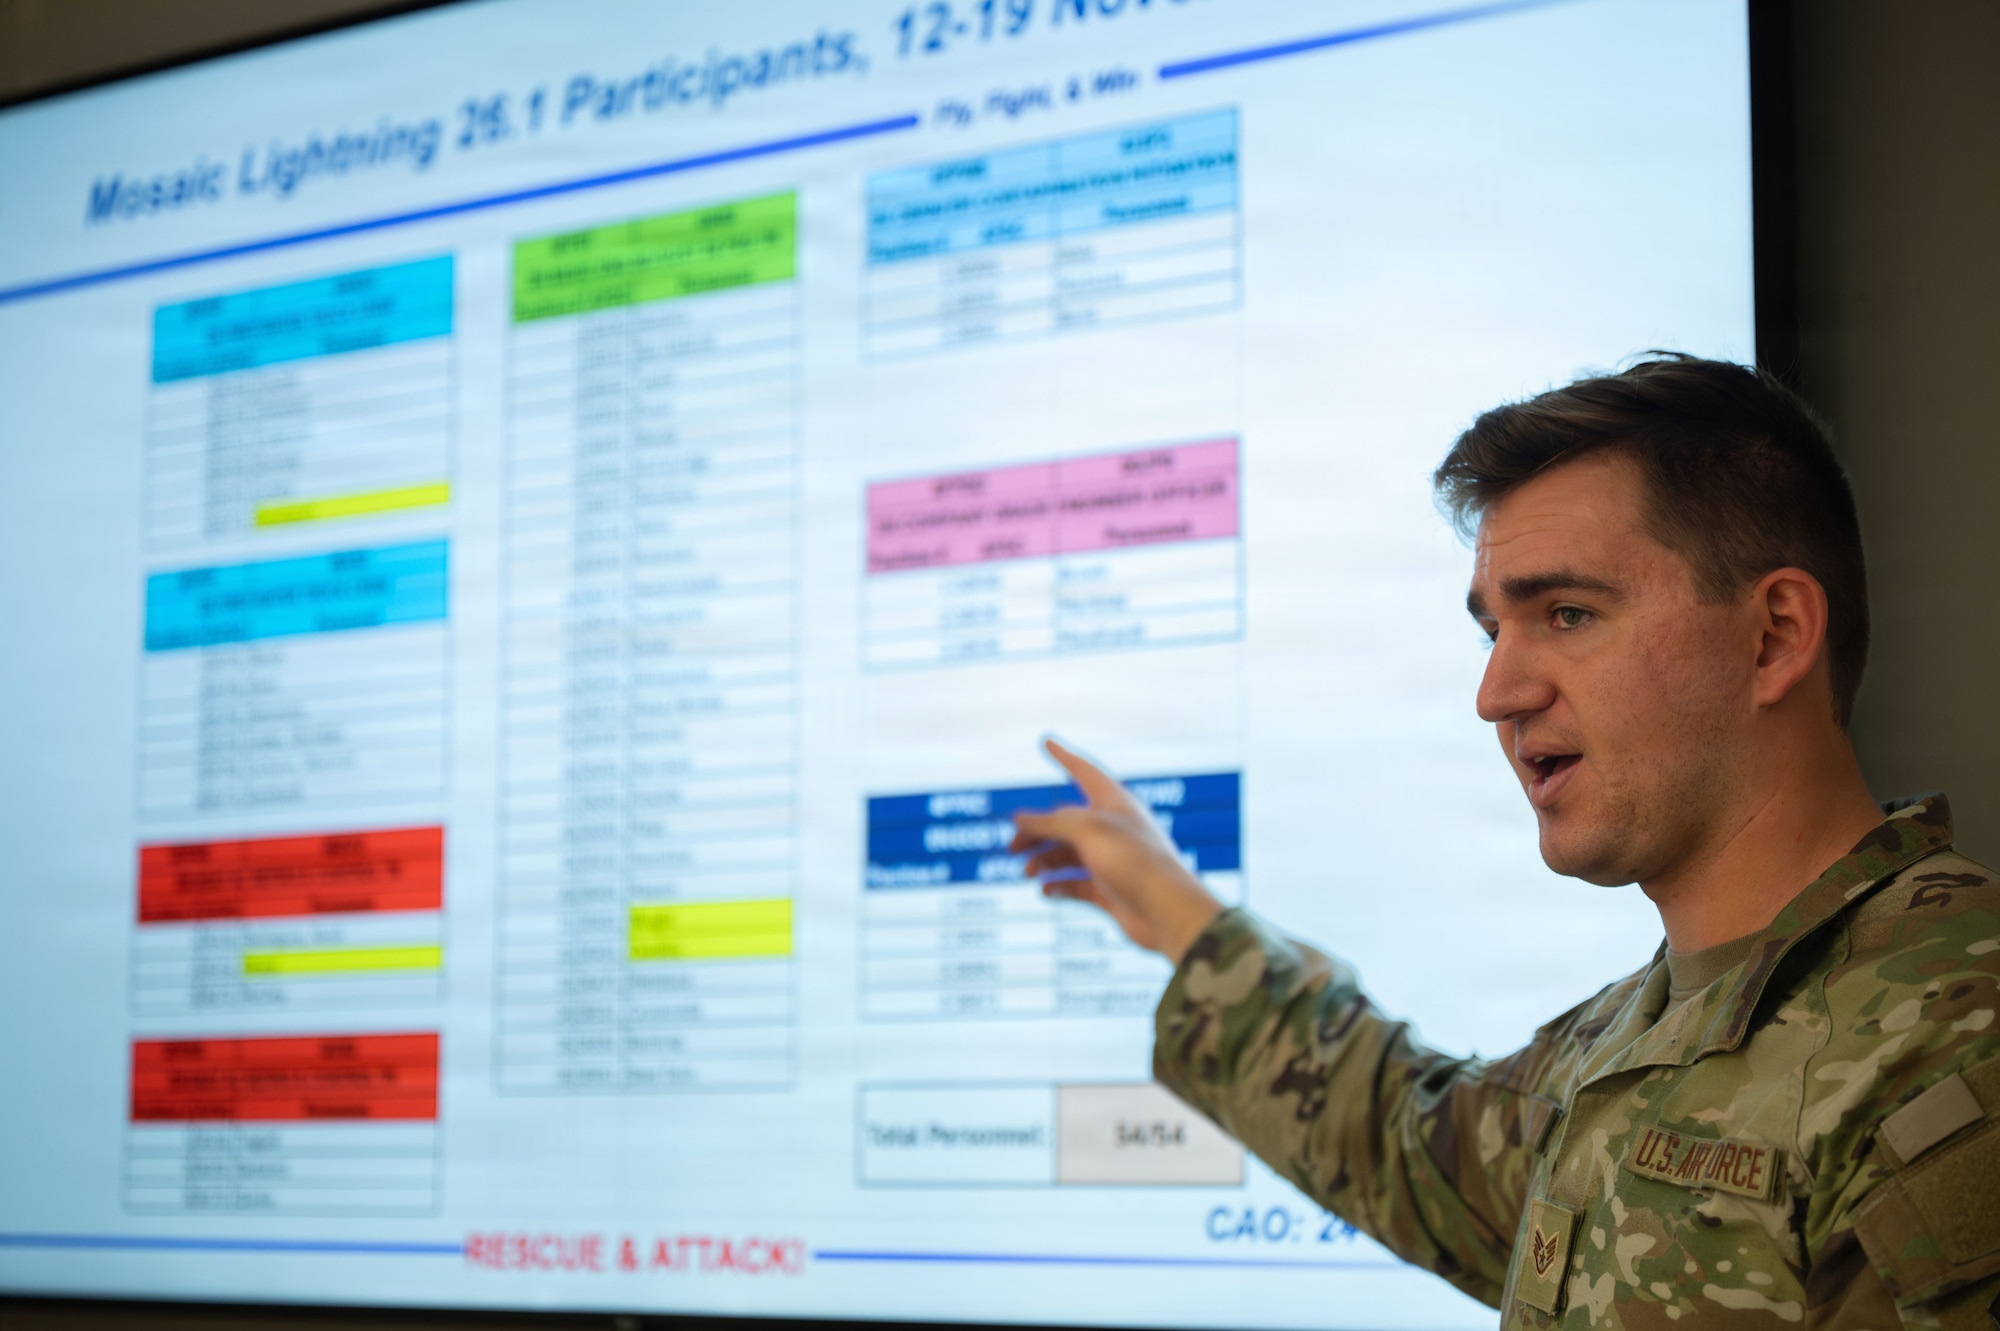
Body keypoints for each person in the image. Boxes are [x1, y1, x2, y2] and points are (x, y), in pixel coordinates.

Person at [1011, 355, 2000, 1328]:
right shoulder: (1619, 1045)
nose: (1496, 692)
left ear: (1774, 634)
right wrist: (1177, 912)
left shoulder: (1952, 1034)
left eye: (1565, 613)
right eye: (1492, 629)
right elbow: (1399, 1137)